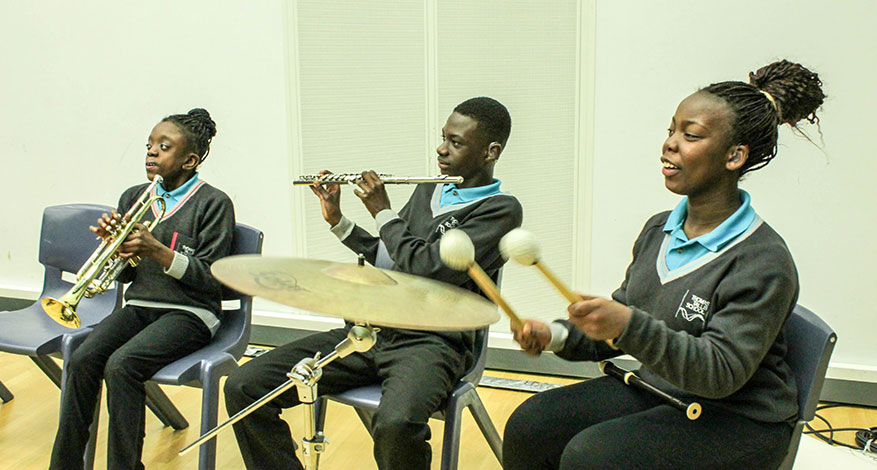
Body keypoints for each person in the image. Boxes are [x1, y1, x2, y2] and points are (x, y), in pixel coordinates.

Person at [503, 60, 826, 470]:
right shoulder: (659, 229)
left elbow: (721, 372)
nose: (669, 144)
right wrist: (556, 335)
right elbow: (625, 324)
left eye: (690, 135)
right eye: (670, 130)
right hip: (666, 389)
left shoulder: (763, 260)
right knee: (531, 425)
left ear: (734, 156)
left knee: (593, 458)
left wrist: (626, 325)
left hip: (740, 417)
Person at [224, 96, 523, 470]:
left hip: (433, 341)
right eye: (443, 137)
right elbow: (390, 253)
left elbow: (429, 267)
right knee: (245, 386)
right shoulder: (431, 190)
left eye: (456, 142)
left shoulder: (501, 210)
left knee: (397, 424)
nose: (441, 148)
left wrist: (382, 210)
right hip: (373, 331)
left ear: (491, 151)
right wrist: (338, 220)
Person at [49, 108, 235, 470]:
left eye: (163, 147)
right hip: (141, 306)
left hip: (191, 312)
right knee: (83, 358)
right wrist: (115, 251)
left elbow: (214, 279)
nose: (151, 152)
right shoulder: (135, 196)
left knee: (122, 366)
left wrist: (160, 253)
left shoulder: (213, 203)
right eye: (150, 145)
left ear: (190, 159)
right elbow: (127, 278)